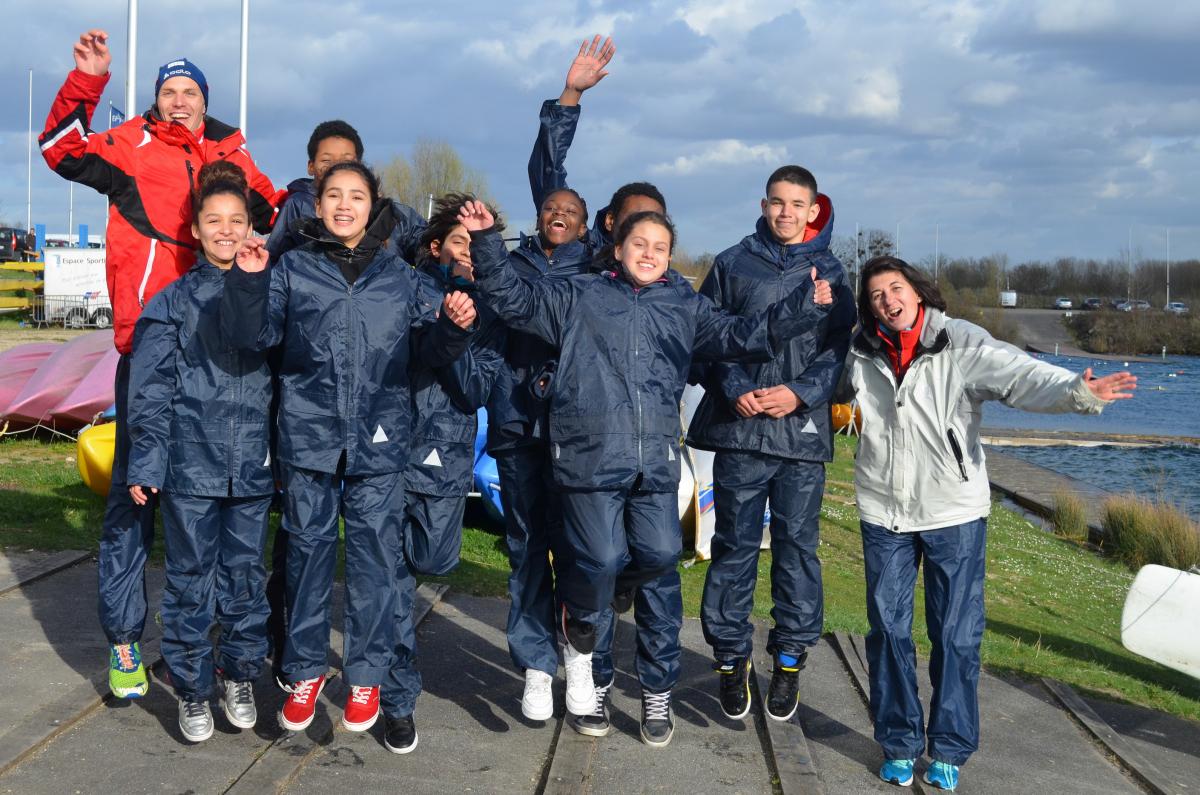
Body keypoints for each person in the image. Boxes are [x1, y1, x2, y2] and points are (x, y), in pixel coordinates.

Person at [462, 201, 841, 747]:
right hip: (590, 457)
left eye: (660, 248)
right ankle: (580, 630)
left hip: (654, 460)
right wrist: (485, 242)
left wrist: (803, 306)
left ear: (669, 257)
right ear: (617, 248)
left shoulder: (683, 304)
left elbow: (741, 335)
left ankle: (588, 618)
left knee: (661, 555)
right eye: (639, 244)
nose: (649, 254)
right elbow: (515, 300)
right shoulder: (580, 294)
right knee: (600, 558)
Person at [40, 29, 280, 699]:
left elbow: (280, 215)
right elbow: (60, 149)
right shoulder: (129, 145)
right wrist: (87, 81)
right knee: (133, 498)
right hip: (151, 346)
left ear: (205, 101)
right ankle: (124, 641)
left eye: (189, 92)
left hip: (225, 358)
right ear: (155, 100)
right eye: (168, 91)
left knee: (216, 515)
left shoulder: (230, 152)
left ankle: (198, 650)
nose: (179, 101)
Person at [845, 256, 1136, 791]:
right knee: (887, 630)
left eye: (896, 288)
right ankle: (899, 744)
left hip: (953, 512)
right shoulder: (860, 349)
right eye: (877, 295)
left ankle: (949, 749)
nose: (888, 300)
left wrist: (1077, 392)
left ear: (917, 291)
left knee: (955, 636)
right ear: (869, 306)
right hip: (884, 511)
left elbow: (1020, 374)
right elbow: (820, 386)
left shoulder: (958, 342)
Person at [221, 161, 476, 755]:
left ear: (373, 205)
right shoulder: (291, 269)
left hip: (382, 439)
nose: (343, 205)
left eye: (355, 196)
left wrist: (454, 327)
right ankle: (305, 670)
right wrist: (249, 282)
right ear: (317, 205)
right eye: (332, 195)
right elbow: (254, 337)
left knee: (375, 562)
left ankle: (366, 675)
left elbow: (429, 350)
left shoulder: (401, 276)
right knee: (306, 556)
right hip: (308, 437)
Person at [686, 165, 855, 723]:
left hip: (800, 437)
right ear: (764, 205)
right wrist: (735, 387)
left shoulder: (832, 272)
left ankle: (788, 660)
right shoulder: (732, 264)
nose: (786, 212)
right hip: (741, 430)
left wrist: (800, 394)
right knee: (733, 546)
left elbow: (839, 352)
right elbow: (706, 337)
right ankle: (730, 658)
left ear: (813, 210)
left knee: (797, 548)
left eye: (797, 204)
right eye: (777, 202)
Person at [126, 162, 274, 743]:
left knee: (245, 580)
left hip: (253, 468)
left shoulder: (272, 292)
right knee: (190, 582)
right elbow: (151, 391)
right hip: (190, 468)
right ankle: (191, 687)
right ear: (195, 229)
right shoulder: (170, 303)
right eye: (214, 220)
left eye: (236, 220)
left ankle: (238, 676)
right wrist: (146, 462)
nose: (226, 230)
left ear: (250, 228)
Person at [404, 194, 506, 576]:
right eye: (460, 241)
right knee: (381, 566)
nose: (467, 252)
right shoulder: (406, 289)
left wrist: (453, 331)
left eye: (476, 244)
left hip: (446, 448)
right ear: (436, 247)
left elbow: (474, 391)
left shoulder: (492, 315)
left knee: (434, 559)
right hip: (391, 441)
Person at [528, 35, 666, 258]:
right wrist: (572, 92)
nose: (644, 227)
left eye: (655, 220)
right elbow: (548, 171)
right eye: (635, 218)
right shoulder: (582, 258)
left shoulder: (666, 278)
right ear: (611, 220)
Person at [265, 119, 427, 263]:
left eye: (346, 160)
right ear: (311, 166)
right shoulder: (297, 205)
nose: (336, 165)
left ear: (360, 165)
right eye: (326, 160)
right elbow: (274, 259)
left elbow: (429, 250)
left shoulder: (393, 213)